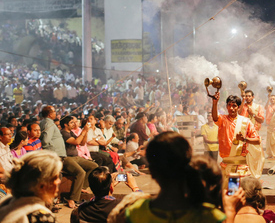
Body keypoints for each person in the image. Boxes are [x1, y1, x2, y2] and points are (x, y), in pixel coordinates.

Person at [108, 132, 240, 223]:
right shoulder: (208, 216)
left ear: (152, 172)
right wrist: (229, 210)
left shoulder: (133, 214)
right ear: (188, 166)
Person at [0, 150, 62, 223]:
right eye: (55, 178)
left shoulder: (6, 202)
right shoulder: (41, 217)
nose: (59, 181)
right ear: (42, 185)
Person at [211, 93, 260, 183]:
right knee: (228, 194)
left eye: (234, 106)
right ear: (226, 107)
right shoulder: (223, 120)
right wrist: (214, 103)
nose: (231, 108)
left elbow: (257, 140)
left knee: (242, 193)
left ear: (238, 107)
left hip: (241, 167)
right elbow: (214, 117)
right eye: (229, 105)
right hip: (226, 165)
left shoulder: (246, 122)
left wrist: (244, 139)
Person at [70, 166, 141, 223]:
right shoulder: (122, 208)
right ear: (111, 187)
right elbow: (143, 206)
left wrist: (108, 188)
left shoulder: (80, 211)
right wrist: (135, 187)